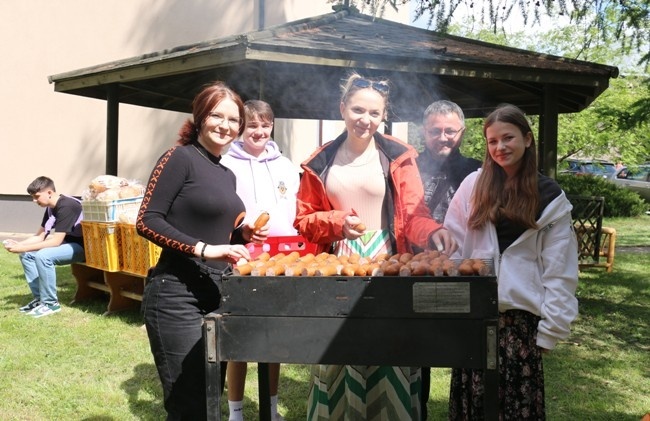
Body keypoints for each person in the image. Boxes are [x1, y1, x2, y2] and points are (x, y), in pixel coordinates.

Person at [294, 72, 456, 420]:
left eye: (374, 113)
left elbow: (415, 214)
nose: (364, 120)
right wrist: (337, 224)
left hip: (389, 262)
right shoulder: (319, 161)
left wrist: (432, 233)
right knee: (338, 351)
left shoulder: (399, 156)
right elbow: (304, 219)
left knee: (391, 351)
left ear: (384, 116)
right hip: (338, 263)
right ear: (342, 108)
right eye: (357, 110)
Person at [136, 81, 269, 420]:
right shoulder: (179, 158)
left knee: (211, 397)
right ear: (199, 117)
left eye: (233, 119)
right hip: (175, 295)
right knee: (190, 403)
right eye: (216, 116)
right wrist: (203, 248)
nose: (225, 126)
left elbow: (217, 232)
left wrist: (242, 234)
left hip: (215, 292)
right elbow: (147, 221)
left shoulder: (226, 174)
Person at [444, 104, 579, 420]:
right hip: (475, 318)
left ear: (528, 139)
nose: (500, 147)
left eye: (508, 138)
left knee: (515, 411)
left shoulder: (549, 196)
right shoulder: (472, 186)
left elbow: (560, 270)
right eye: (492, 141)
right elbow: (454, 250)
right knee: (473, 407)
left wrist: (552, 329)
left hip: (520, 327)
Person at [221, 99, 298, 421]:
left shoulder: (286, 166)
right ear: (241, 128)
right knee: (240, 336)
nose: (259, 131)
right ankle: (236, 411)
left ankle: (271, 407)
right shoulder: (226, 163)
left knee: (273, 336)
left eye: (265, 125)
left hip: (281, 257)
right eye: (252, 125)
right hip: (240, 257)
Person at [415, 100, 481, 420]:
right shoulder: (407, 168)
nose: (443, 137)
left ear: (462, 132)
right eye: (435, 131)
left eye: (450, 131)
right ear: (424, 132)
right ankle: (418, 411)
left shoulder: (478, 170)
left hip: (464, 270)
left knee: (468, 349)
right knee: (417, 351)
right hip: (417, 270)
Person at [3, 176, 85, 318]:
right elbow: (40, 236)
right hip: (69, 244)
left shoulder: (68, 205)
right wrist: (19, 244)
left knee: (43, 255)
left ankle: (51, 304)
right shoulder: (50, 208)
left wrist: (23, 248)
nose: (34, 201)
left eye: (36, 197)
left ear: (49, 192)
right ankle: (40, 299)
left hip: (84, 248)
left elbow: (56, 242)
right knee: (27, 255)